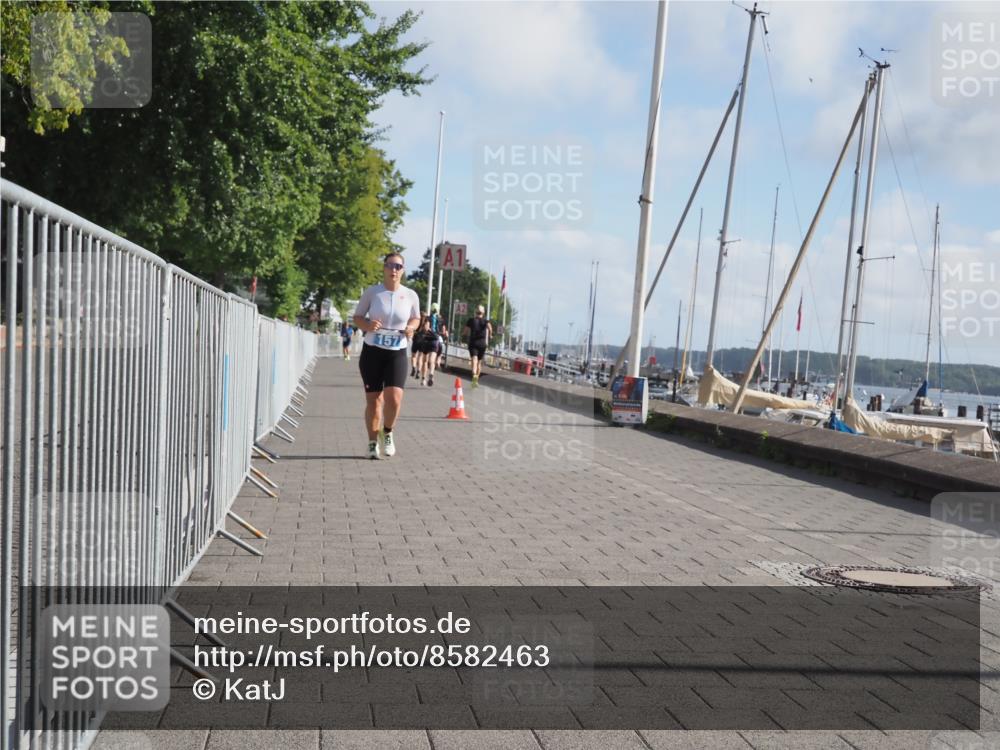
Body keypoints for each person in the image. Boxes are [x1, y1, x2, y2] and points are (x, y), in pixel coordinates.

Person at [352, 252, 421, 459]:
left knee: (395, 398)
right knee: (374, 401)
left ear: (403, 271)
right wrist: (368, 325)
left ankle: (388, 432)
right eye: (390, 265)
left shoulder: (410, 295)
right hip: (372, 351)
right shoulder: (373, 292)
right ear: (384, 268)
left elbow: (416, 318)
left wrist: (411, 328)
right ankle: (372, 443)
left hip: (396, 352)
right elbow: (357, 317)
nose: (394, 270)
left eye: (398, 266)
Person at [462, 305, 492, 388]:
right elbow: (490, 328)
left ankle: (474, 375)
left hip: (473, 343)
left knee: (474, 360)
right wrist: (490, 335)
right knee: (479, 362)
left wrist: (463, 334)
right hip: (482, 344)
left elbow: (465, 331)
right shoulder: (486, 321)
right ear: (483, 312)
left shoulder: (471, 320)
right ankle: (476, 379)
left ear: (476, 311)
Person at [424, 302, 448, 385]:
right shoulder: (441, 319)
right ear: (438, 310)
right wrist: (441, 333)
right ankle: (431, 372)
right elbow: (444, 332)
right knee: (433, 359)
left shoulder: (428, 318)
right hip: (436, 340)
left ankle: (423, 376)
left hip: (427, 340)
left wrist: (429, 331)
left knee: (425, 360)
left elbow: (426, 328)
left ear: (431, 309)